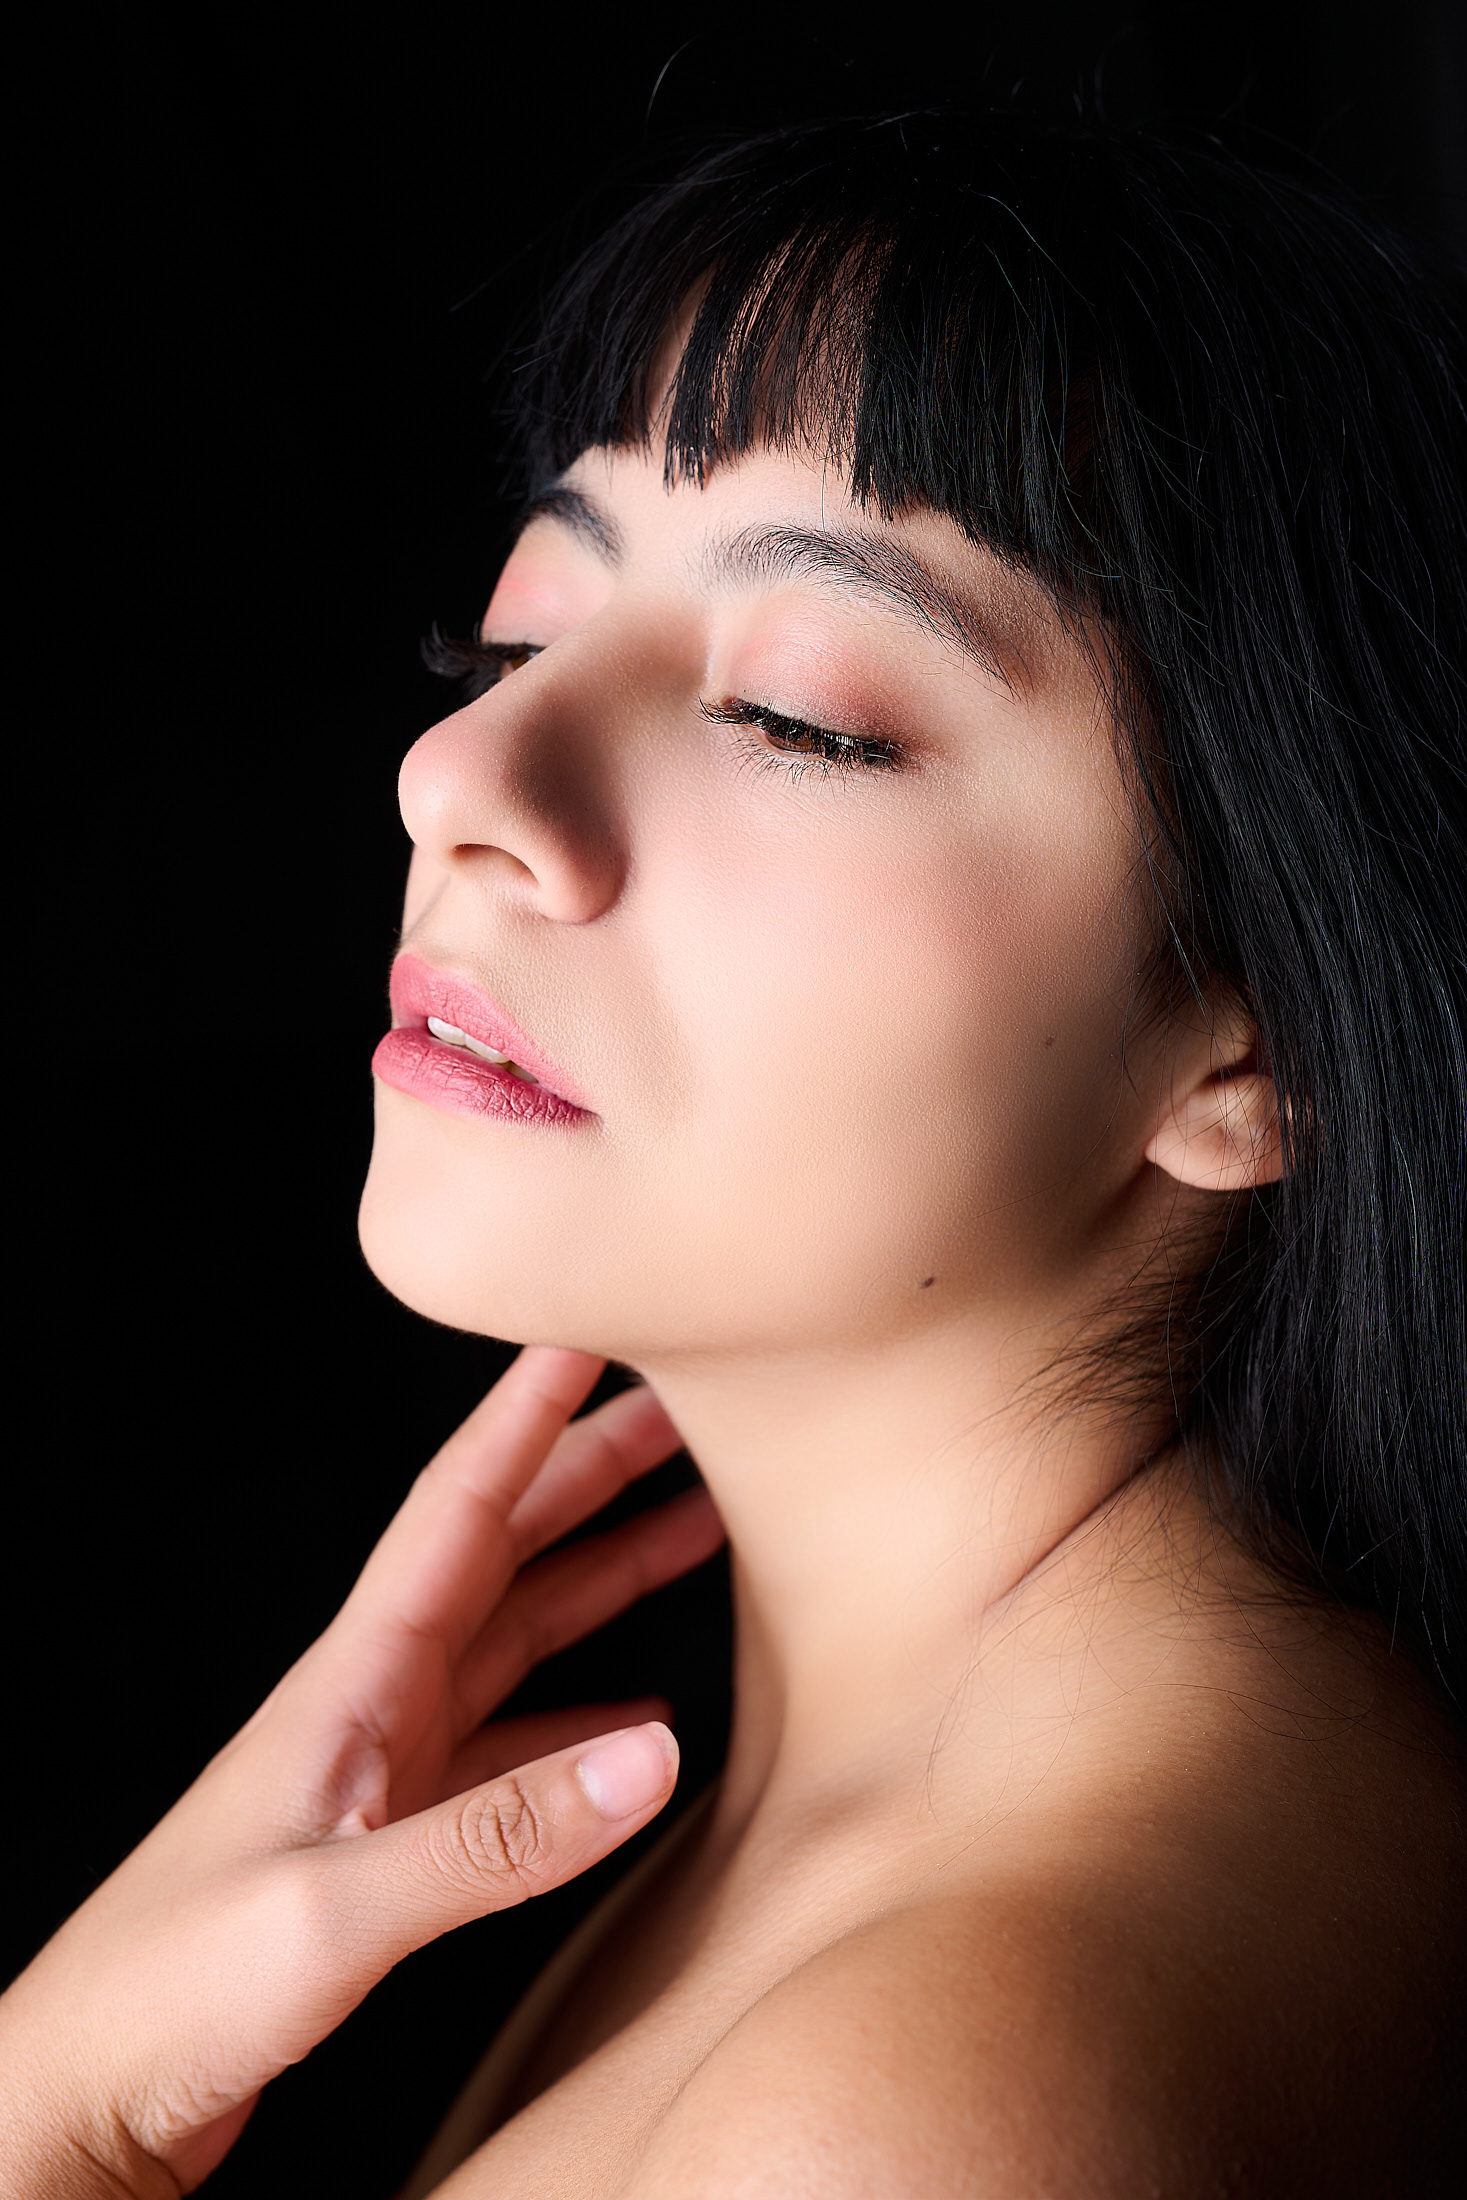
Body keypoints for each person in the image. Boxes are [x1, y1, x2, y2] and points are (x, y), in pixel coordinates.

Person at [4, 111, 1465, 2198]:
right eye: (521, 633)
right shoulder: (965, 1833)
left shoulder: (915, 2105)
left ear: (1261, 1039)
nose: (459, 773)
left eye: (792, 712)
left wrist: (62, 2123)